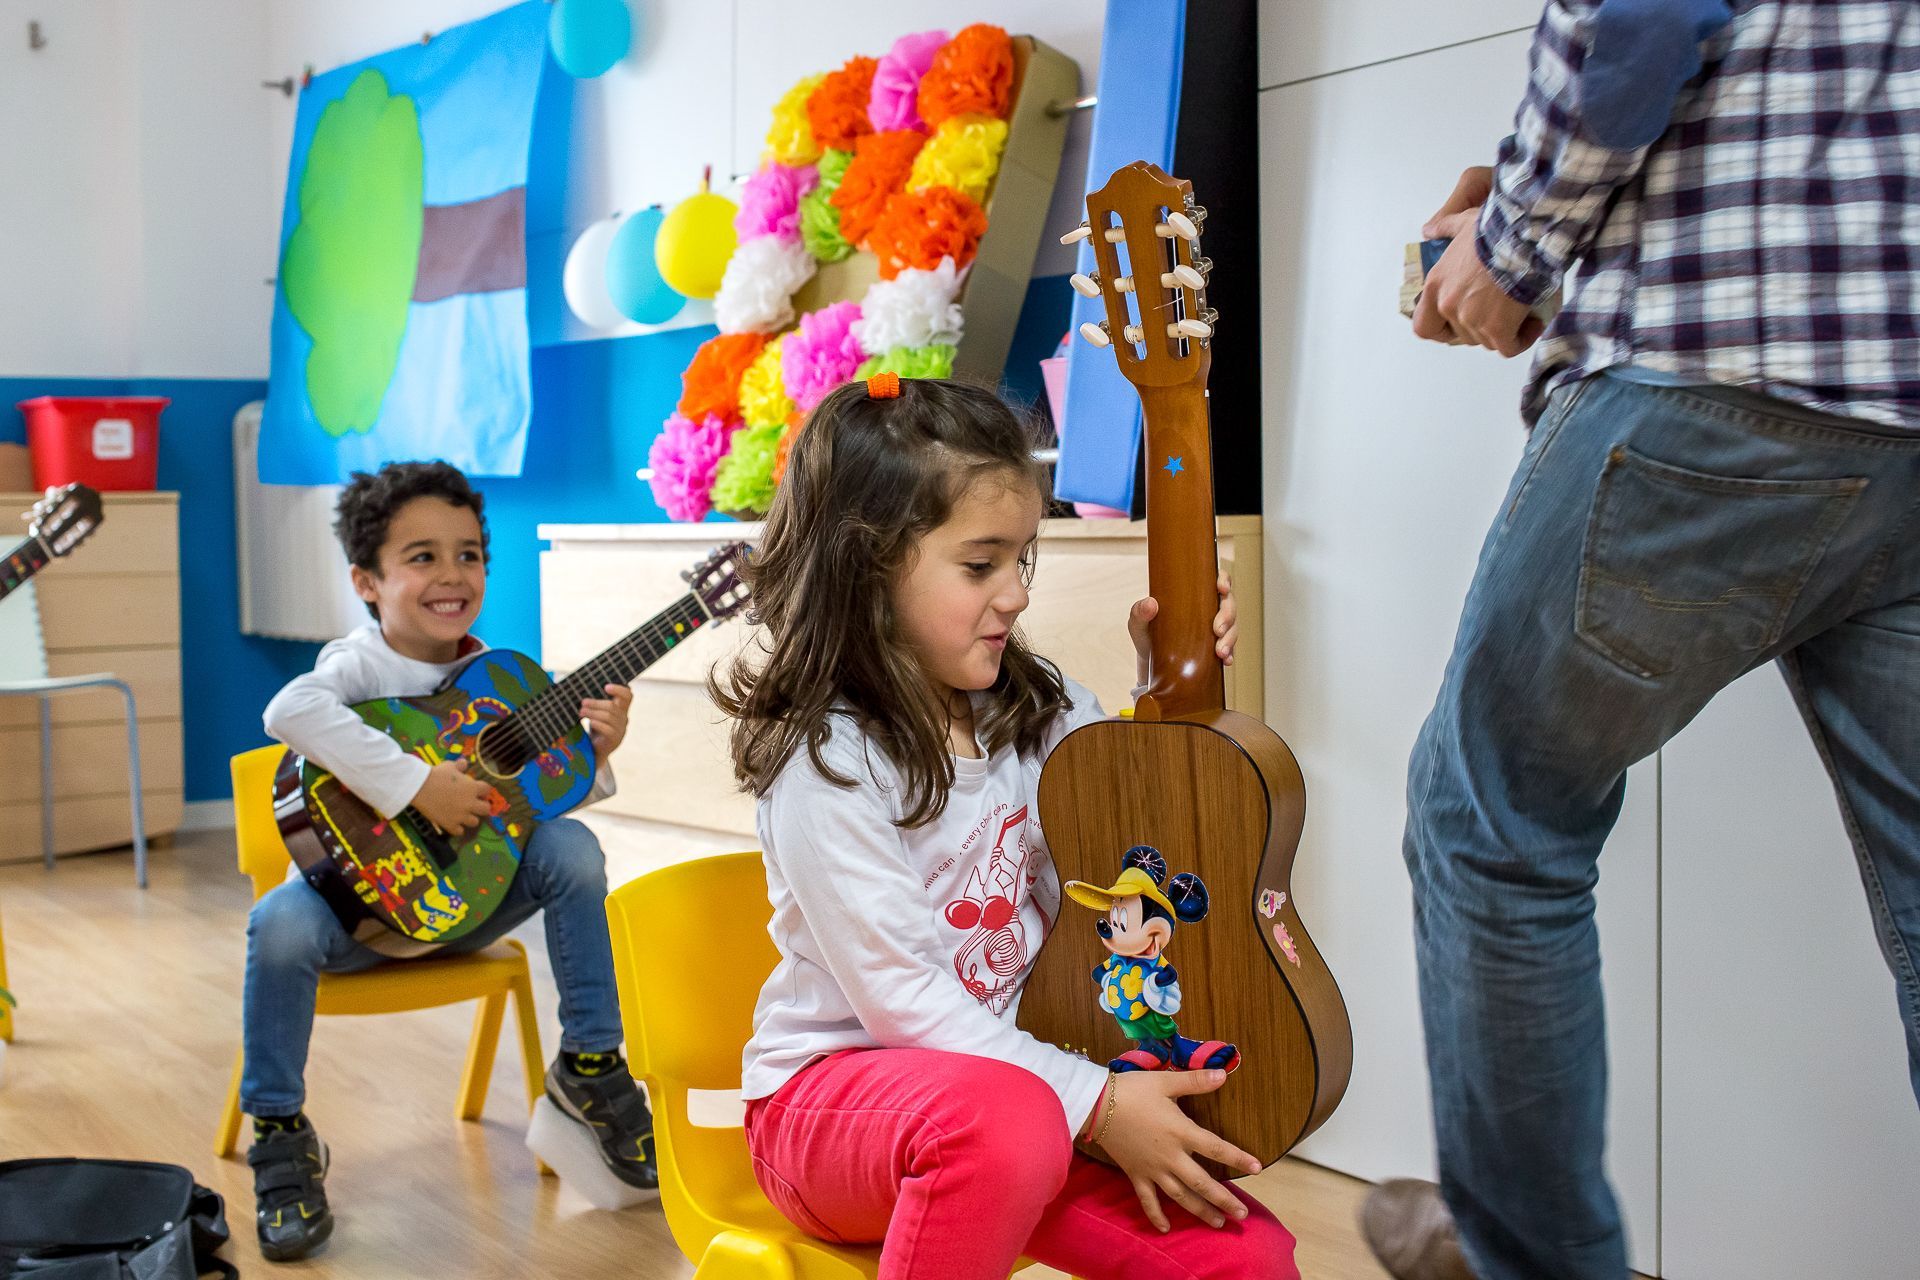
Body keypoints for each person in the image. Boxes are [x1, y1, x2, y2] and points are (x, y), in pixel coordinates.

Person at [1374, 2, 1920, 1278]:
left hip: (1720, 368)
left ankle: (1529, 1260)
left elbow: (1639, 13)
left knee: (1492, 824)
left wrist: (1508, 246)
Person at [711, 373, 1298, 1279]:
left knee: (1242, 1255)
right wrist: (1097, 1105)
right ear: (865, 568)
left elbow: (1121, 826)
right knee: (1008, 1124)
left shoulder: (1034, 705)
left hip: (1020, 1093)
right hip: (827, 1111)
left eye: (1022, 559)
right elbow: (905, 1002)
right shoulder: (825, 764)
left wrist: (1164, 685)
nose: (1016, 594)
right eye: (981, 565)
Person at [243, 461, 656, 1260]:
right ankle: (281, 1130)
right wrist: (415, 787)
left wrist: (596, 751)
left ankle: (593, 1066)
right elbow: (286, 709)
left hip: (472, 904)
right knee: (277, 926)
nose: (452, 575)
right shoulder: (359, 667)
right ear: (367, 580)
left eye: (468, 554)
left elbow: (533, 804)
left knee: (571, 845)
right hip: (354, 914)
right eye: (422, 557)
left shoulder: (498, 677)